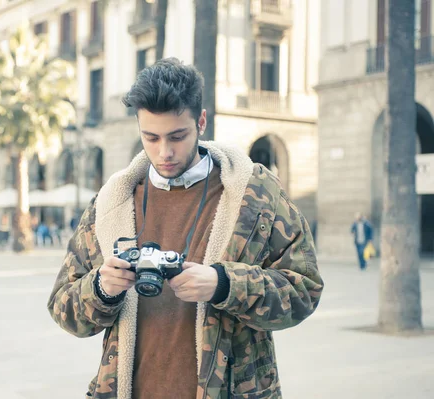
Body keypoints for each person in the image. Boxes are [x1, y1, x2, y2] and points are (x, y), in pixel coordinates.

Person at [47, 58, 324, 399]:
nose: (164, 152)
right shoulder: (110, 203)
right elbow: (63, 308)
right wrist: (102, 288)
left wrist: (224, 284)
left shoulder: (254, 195)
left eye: (177, 136)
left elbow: (304, 292)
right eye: (151, 137)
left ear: (201, 121)